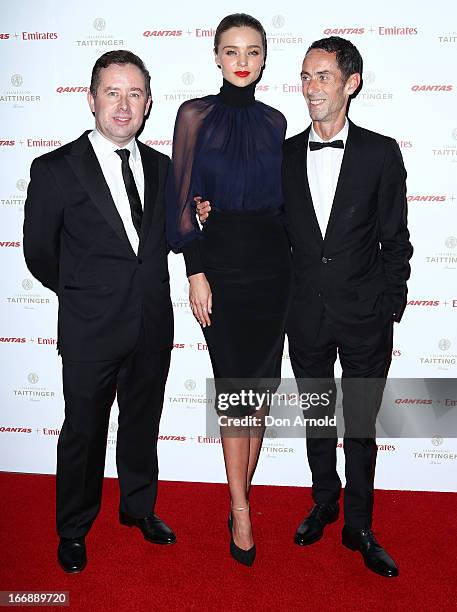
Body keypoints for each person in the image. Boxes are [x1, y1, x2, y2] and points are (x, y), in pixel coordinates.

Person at [199, 36, 412, 578]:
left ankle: (359, 525)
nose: (311, 87)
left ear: (351, 83)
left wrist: (390, 305)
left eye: (322, 76)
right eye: (305, 76)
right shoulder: (282, 151)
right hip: (302, 316)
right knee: (318, 416)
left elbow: (396, 239)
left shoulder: (381, 152)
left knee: (359, 426)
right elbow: (251, 210)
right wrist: (206, 209)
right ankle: (323, 502)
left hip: (365, 317)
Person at [23, 50, 175, 574]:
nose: (123, 104)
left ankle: (138, 509)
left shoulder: (163, 167)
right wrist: (87, 294)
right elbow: (40, 254)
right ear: (91, 100)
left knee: (141, 424)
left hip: (151, 325)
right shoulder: (55, 169)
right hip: (90, 329)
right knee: (83, 432)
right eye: (112, 92)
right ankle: (73, 528)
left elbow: (169, 241)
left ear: (148, 103)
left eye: (135, 93)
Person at [167, 13, 291, 566]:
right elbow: (182, 199)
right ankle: (240, 507)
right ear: (216, 56)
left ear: (265, 59)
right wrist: (195, 270)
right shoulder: (193, 115)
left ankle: (240, 495)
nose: (243, 62)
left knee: (258, 395)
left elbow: (286, 201)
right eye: (233, 51)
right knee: (233, 393)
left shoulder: (276, 121)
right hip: (220, 265)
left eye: (254, 52)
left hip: (273, 267)